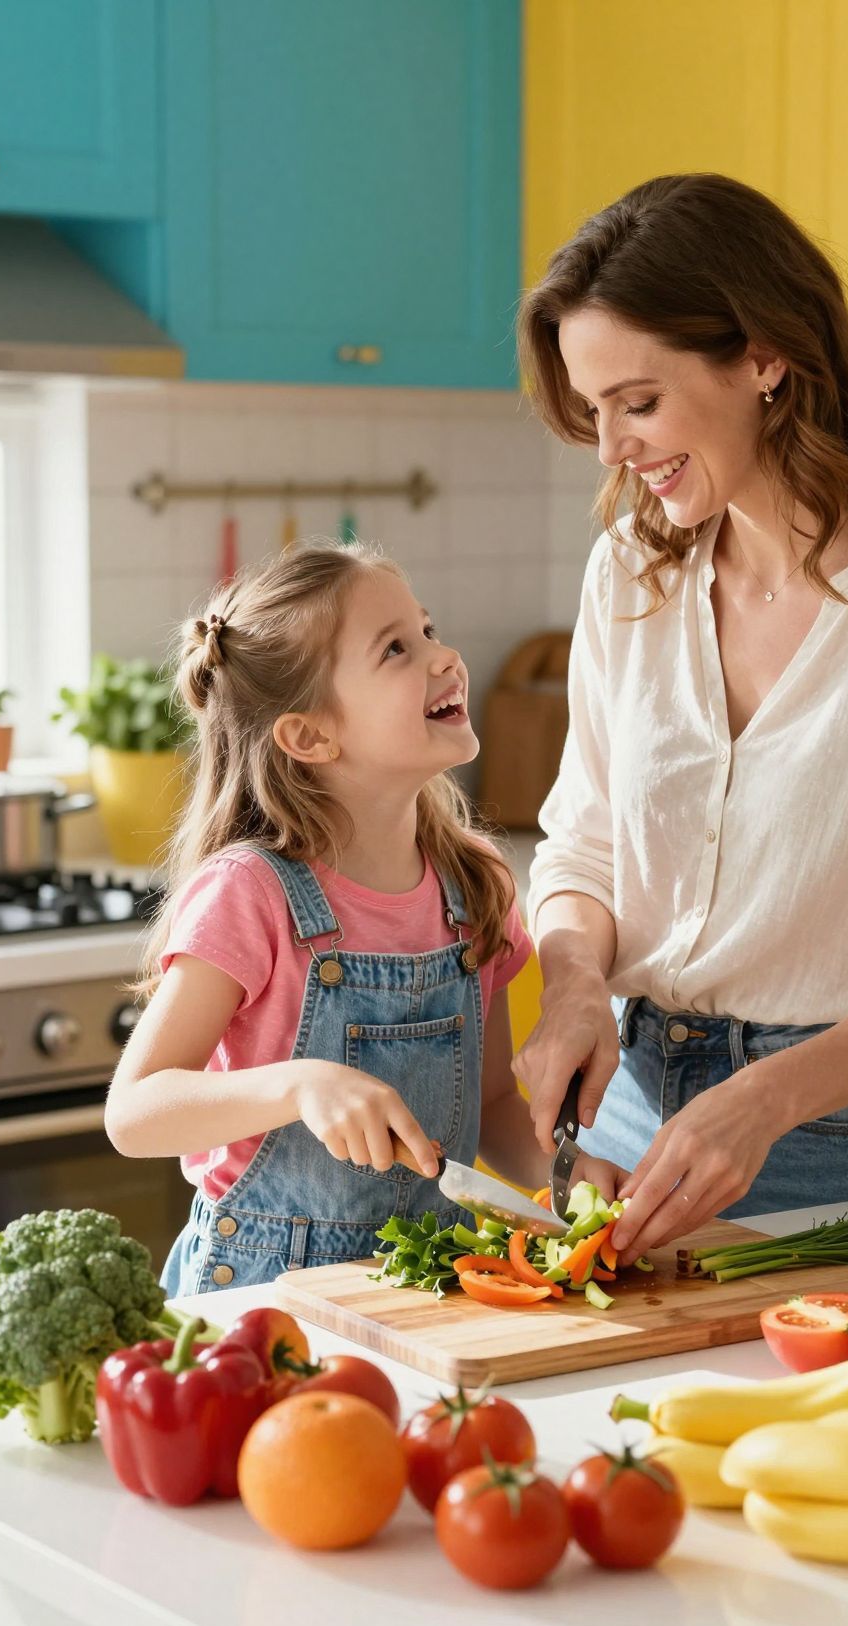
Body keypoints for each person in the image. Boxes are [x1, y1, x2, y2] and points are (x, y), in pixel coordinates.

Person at [514, 172, 848, 1263]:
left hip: (837, 1140)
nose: (612, 447)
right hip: (626, 1114)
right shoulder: (631, 572)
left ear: (765, 357)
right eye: (594, 408)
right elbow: (588, 838)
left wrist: (763, 1099)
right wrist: (571, 979)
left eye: (640, 401)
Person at [106, 541, 616, 1295]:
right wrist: (299, 1085)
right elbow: (135, 1111)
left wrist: (571, 1181)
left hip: (429, 1289)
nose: (444, 657)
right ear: (310, 735)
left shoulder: (476, 881)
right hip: (262, 1297)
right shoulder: (250, 892)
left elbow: (495, 1104)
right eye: (396, 649)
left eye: (430, 629)